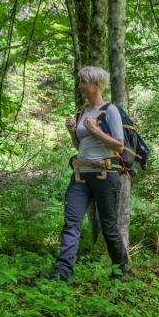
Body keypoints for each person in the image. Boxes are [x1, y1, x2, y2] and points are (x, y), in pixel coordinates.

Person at [40, 66, 128, 282]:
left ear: (96, 84)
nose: (79, 86)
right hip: (81, 174)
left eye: (83, 82)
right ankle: (63, 272)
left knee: (108, 226)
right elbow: (79, 146)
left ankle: (120, 270)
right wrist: (72, 131)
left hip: (105, 174)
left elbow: (119, 146)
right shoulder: (82, 111)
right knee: (71, 223)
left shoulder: (111, 111)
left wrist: (96, 130)